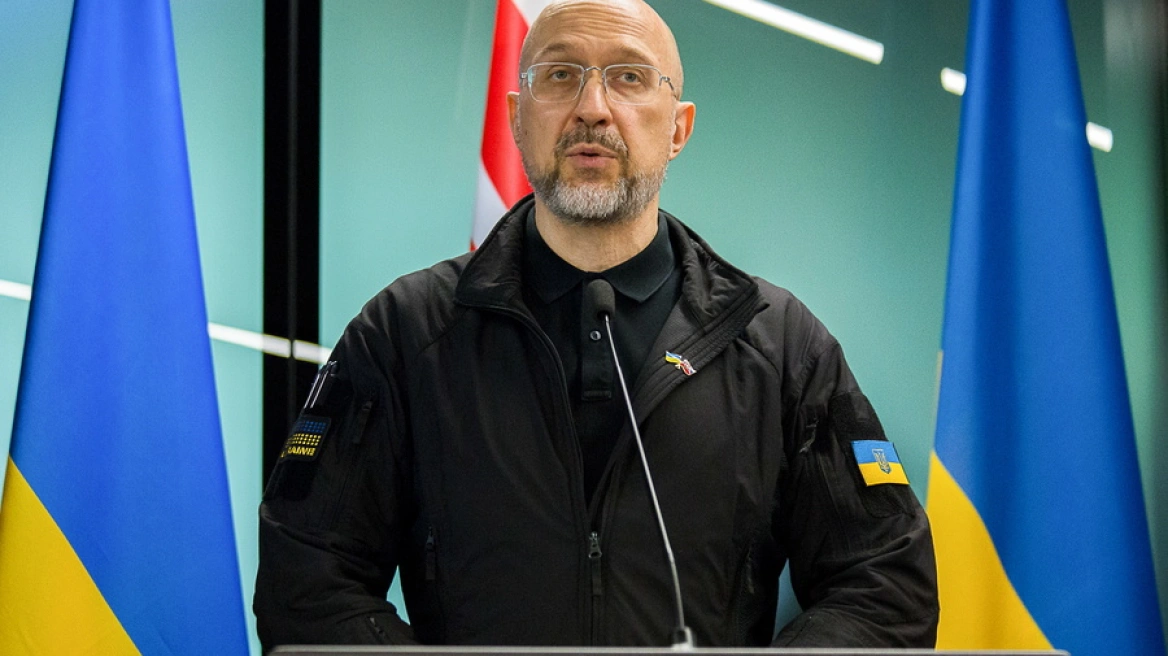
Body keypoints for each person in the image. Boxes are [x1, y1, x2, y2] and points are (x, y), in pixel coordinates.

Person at [254, 0, 939, 650]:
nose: (592, 107)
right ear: (517, 118)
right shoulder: (406, 333)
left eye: (629, 77)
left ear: (678, 129)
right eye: (559, 75)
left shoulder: (780, 345)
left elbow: (885, 586)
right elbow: (305, 582)